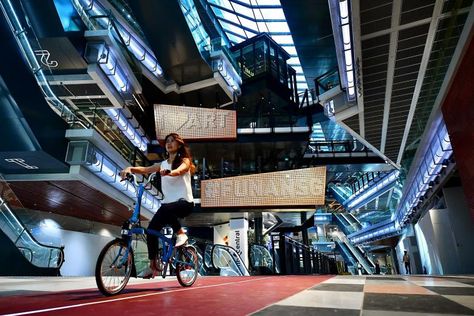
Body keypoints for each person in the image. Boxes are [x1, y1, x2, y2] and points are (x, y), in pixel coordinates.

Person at [120, 133, 195, 277]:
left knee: (166, 208)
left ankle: (181, 234)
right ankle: (153, 265)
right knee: (151, 230)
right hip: (168, 206)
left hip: (185, 203)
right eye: (167, 141)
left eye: (173, 141)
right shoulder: (162, 164)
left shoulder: (183, 160)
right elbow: (146, 169)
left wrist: (170, 173)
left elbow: (182, 170)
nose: (169, 143)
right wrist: (130, 168)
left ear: (179, 145)